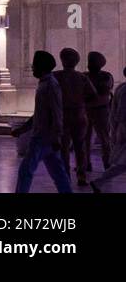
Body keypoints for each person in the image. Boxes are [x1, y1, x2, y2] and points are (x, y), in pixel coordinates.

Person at [13, 50, 74, 193]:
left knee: (26, 170)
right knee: (58, 172)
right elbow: (40, 114)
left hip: (43, 137)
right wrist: (22, 130)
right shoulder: (44, 84)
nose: (33, 68)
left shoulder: (51, 85)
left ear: (42, 66)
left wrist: (57, 136)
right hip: (45, 136)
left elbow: (57, 112)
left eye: (35, 65)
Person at [52, 47, 95, 187]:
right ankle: (81, 175)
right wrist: (81, 102)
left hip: (63, 116)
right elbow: (93, 94)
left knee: (63, 148)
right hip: (79, 115)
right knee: (80, 146)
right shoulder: (82, 77)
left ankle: (66, 176)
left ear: (62, 60)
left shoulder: (56, 76)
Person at [91, 64, 126, 193]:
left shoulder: (121, 88)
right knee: (122, 165)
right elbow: (122, 113)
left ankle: (99, 182)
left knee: (122, 164)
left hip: (122, 128)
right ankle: (98, 182)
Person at [86, 51, 114, 172]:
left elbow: (102, 92)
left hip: (98, 110)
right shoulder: (105, 76)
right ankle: (87, 162)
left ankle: (106, 162)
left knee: (103, 138)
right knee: (87, 138)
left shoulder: (105, 76)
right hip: (96, 109)